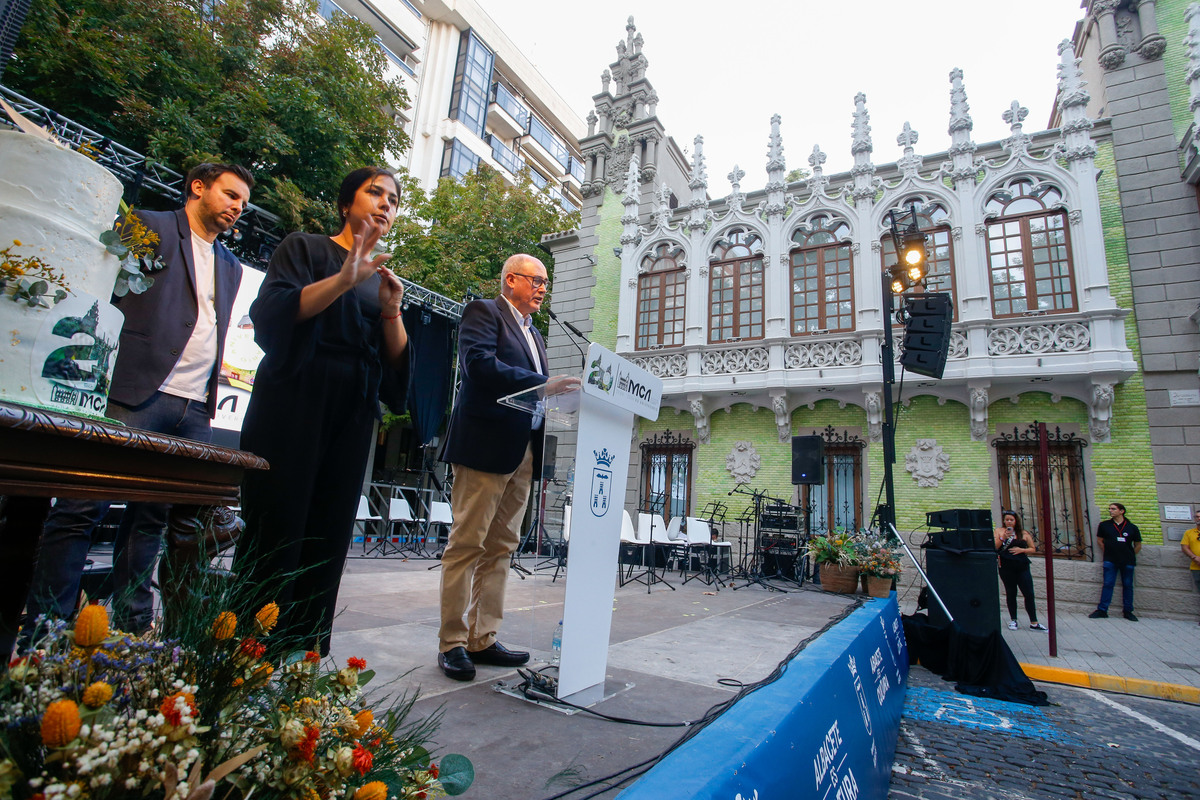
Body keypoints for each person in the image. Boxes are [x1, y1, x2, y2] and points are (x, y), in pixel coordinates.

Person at [22, 163, 252, 638]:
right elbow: (101, 288)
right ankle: (47, 631)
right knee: (83, 506)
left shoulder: (230, 265)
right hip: (133, 389)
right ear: (198, 187)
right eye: (230, 195)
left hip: (193, 407)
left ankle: (129, 631)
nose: (236, 207)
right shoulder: (147, 226)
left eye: (243, 203)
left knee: (152, 520)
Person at [234, 166, 409, 657]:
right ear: (345, 203)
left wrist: (392, 309)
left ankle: (302, 654)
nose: (385, 205)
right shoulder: (305, 248)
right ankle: (249, 651)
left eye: (393, 200)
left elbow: (395, 364)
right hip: (295, 397)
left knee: (330, 530)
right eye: (375, 193)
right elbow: (273, 315)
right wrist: (343, 278)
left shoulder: (383, 276)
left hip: (353, 408)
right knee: (278, 521)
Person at [436, 254, 579, 681]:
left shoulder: (535, 334)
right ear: (511, 279)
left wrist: (556, 397)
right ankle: (452, 643)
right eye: (536, 280)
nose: (542, 288)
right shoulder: (484, 312)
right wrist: (539, 385)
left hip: (524, 452)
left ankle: (483, 637)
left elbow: (536, 392)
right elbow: (479, 366)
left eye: (546, 282)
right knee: (467, 546)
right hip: (484, 447)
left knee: (501, 548)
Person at [994, 511, 1047, 632]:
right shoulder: (999, 532)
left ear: (1016, 521)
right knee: (1011, 592)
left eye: (1011, 520)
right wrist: (1003, 538)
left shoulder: (1024, 533)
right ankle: (1013, 620)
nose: (1009, 522)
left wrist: (1021, 550)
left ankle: (1034, 622)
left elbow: (1033, 549)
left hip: (1022, 566)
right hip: (1006, 567)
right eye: (1006, 519)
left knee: (1028, 593)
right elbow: (995, 547)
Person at [1088, 501, 1142, 621]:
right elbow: (1099, 540)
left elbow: (1138, 544)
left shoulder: (1131, 527)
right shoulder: (1105, 525)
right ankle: (1102, 610)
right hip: (1110, 560)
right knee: (1108, 584)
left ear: (1121, 511)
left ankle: (1128, 611)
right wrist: (1107, 551)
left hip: (1127, 561)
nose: (1110, 511)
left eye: (1113, 509)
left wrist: (1131, 555)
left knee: (1128, 585)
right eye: (1110, 509)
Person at [1181, 508, 1200, 626]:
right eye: (1197, 517)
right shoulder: (1189, 532)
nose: (1198, 519)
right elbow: (1184, 546)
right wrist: (1194, 557)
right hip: (1196, 566)